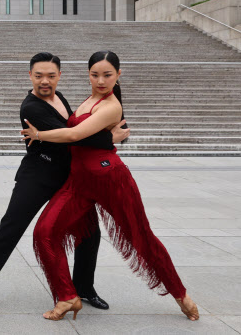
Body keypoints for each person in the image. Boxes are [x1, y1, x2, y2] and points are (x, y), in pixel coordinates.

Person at [22, 51, 199, 322]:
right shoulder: (87, 99)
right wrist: (108, 138)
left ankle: (180, 294)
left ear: (118, 75)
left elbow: (74, 134)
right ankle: (68, 296)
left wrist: (38, 135)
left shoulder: (112, 105)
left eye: (107, 75)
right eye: (95, 75)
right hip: (79, 182)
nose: (101, 81)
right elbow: (87, 136)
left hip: (110, 179)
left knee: (142, 238)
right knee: (44, 232)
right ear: (88, 74)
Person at [0, 52, 130, 313]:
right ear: (30, 75)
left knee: (89, 233)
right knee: (10, 229)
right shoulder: (31, 107)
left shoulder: (59, 97)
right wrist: (111, 139)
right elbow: (73, 137)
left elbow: (80, 127)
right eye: (39, 75)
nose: (45, 81)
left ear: (59, 77)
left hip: (69, 176)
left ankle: (84, 288)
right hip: (38, 175)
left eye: (51, 76)